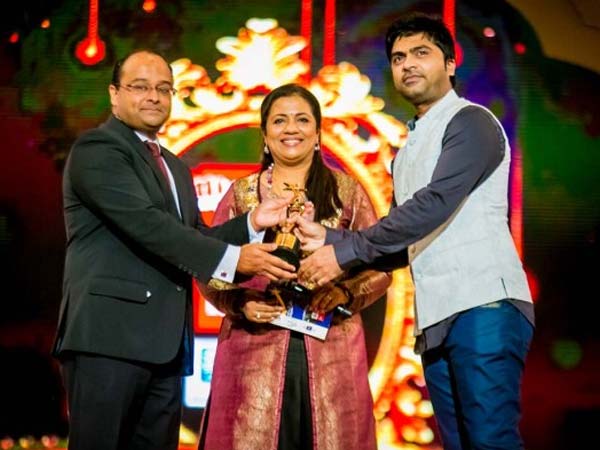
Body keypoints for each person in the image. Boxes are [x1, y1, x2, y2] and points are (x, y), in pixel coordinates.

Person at [293, 14, 535, 450]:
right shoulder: (406, 152)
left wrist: (341, 253)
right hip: (436, 318)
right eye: (398, 57)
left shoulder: (471, 121)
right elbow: (398, 245)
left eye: (421, 53)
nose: (407, 64)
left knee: (490, 440)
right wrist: (327, 240)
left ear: (451, 64)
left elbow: (434, 204)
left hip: (484, 304)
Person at [52, 50, 297, 450]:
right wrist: (234, 260)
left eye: (164, 88)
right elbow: (149, 226)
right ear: (114, 94)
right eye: (140, 87)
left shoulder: (174, 166)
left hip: (164, 348)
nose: (154, 96)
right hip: (108, 340)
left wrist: (253, 222)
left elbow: (194, 234)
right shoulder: (97, 149)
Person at [197, 84, 392, 450]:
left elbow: (381, 267)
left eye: (302, 120)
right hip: (252, 353)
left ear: (317, 134)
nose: (291, 129)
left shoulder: (347, 192)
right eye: (279, 121)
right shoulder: (242, 195)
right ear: (265, 134)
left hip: (332, 349)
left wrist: (344, 292)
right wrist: (240, 303)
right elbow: (207, 265)